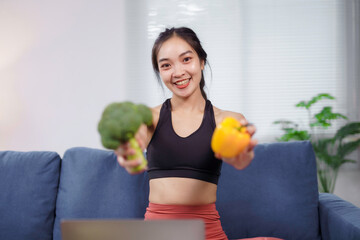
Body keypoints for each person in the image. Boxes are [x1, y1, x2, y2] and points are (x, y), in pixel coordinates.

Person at [115, 27, 282, 240]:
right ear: (160, 72)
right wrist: (129, 150)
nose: (178, 72)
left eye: (186, 59)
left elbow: (240, 157)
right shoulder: (149, 117)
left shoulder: (227, 120)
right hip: (157, 236)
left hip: (208, 235)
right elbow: (134, 140)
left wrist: (241, 157)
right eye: (166, 65)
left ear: (201, 61)